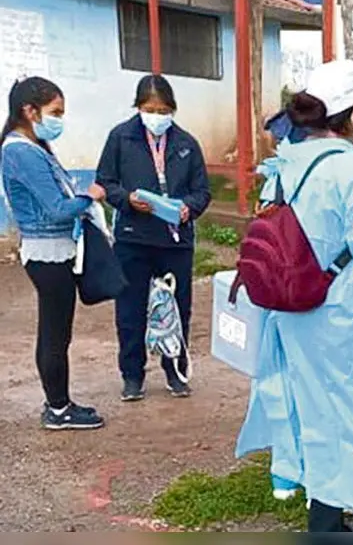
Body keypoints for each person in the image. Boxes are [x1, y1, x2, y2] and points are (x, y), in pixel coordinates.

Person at [236, 60, 353, 533]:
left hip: (300, 319)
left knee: (321, 427)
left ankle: (324, 524)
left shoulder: (285, 166)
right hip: (352, 327)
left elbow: (323, 235)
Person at [96, 74, 212, 401]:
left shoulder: (186, 143)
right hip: (133, 238)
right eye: (150, 109)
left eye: (163, 110)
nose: (157, 116)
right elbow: (106, 182)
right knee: (130, 310)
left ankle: (175, 372)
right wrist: (127, 199)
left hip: (175, 241)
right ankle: (132, 376)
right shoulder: (120, 138)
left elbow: (202, 191)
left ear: (173, 109)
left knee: (177, 309)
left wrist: (189, 208)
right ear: (138, 108)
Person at [1, 77, 107, 430]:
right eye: (55, 112)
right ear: (29, 111)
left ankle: (59, 404)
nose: (59, 119)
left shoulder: (34, 146)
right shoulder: (20, 151)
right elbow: (58, 209)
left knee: (56, 331)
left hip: (53, 250)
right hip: (47, 253)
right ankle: (59, 409)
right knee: (54, 333)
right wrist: (90, 196)